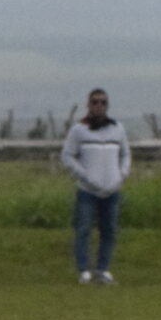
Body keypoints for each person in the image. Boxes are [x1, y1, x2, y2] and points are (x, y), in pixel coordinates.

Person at [59, 88, 129, 284]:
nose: (99, 106)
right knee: (83, 229)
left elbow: (125, 154)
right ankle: (83, 270)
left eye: (103, 102)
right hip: (88, 190)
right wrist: (84, 176)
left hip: (111, 190)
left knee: (109, 231)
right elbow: (67, 156)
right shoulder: (79, 130)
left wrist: (122, 174)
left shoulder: (117, 128)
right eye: (95, 102)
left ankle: (102, 269)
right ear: (88, 105)